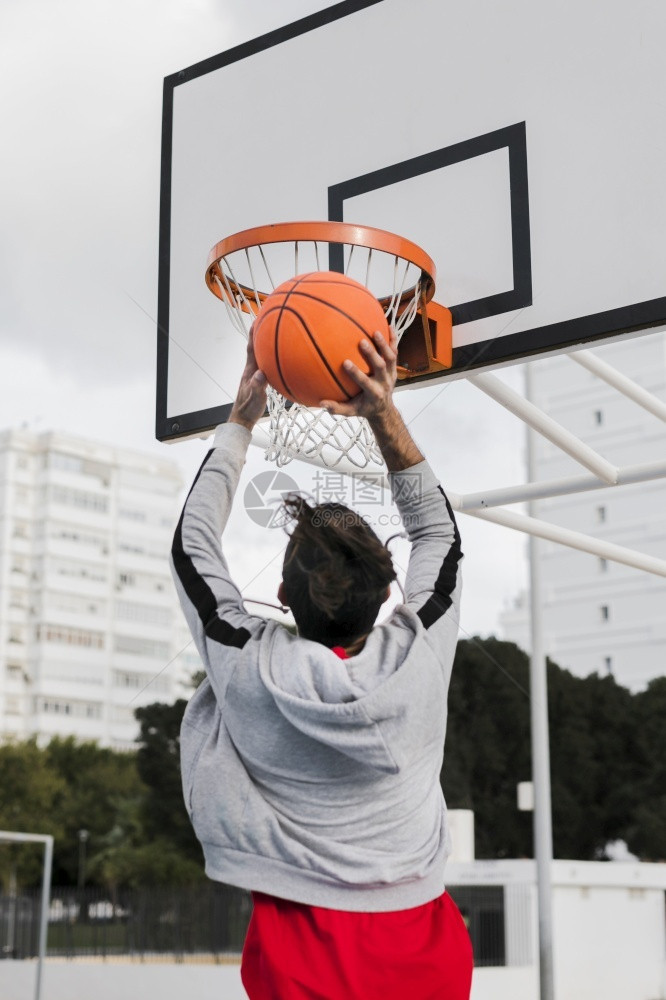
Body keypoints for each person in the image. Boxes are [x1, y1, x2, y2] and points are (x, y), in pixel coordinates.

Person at [171, 325, 472, 999]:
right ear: (389, 595)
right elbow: (440, 535)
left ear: (281, 597)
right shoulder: (419, 658)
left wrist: (241, 420)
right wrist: (382, 412)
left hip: (300, 961)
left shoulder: (249, 669)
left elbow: (193, 547)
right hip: (426, 956)